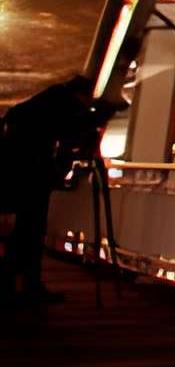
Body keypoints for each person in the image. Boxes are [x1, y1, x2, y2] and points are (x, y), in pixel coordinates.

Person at [1, 75, 118, 301]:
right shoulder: (62, 106)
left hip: (20, 176)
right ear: (81, 96)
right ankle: (26, 285)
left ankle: (13, 284)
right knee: (31, 231)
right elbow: (71, 134)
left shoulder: (43, 103)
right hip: (29, 178)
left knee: (26, 231)